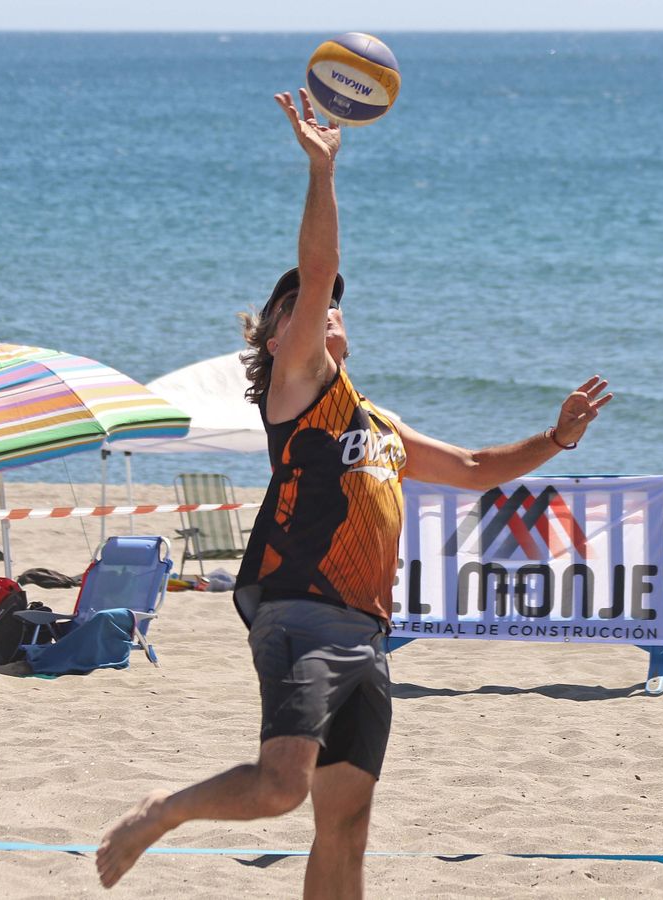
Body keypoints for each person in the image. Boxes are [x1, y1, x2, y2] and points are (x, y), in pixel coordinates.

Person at [96, 88, 612, 896]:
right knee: (280, 787)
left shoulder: (377, 422)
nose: (324, 308)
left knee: (346, 828)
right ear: (279, 336)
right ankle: (163, 810)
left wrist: (556, 438)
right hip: (301, 613)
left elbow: (475, 467)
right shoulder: (296, 390)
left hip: (367, 634)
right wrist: (322, 171)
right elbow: (317, 271)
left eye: (332, 306)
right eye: (304, 307)